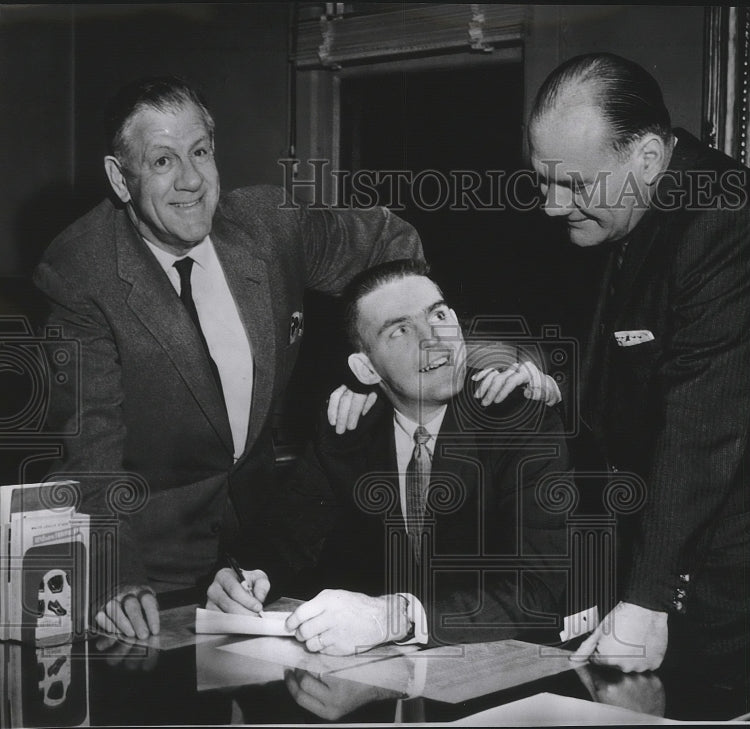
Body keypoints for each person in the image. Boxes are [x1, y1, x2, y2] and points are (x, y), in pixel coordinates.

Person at [32, 76, 423, 640]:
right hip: (151, 584)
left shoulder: (268, 226)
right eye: (162, 160)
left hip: (265, 566)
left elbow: (392, 240)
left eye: (201, 152)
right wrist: (113, 576)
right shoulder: (78, 273)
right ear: (121, 178)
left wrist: (375, 365)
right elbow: (87, 455)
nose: (191, 180)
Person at [527, 53, 750, 693]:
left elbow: (703, 429)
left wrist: (646, 600)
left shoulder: (724, 225)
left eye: (574, 186)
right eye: (542, 180)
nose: (552, 206)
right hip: (643, 566)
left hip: (730, 592)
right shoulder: (620, 212)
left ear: (645, 158)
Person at [206, 259, 571, 653]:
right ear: (365, 368)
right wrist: (242, 578)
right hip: (393, 686)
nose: (434, 338)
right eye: (399, 330)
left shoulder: (520, 422)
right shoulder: (347, 432)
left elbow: (538, 593)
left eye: (439, 314)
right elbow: (283, 545)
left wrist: (395, 617)